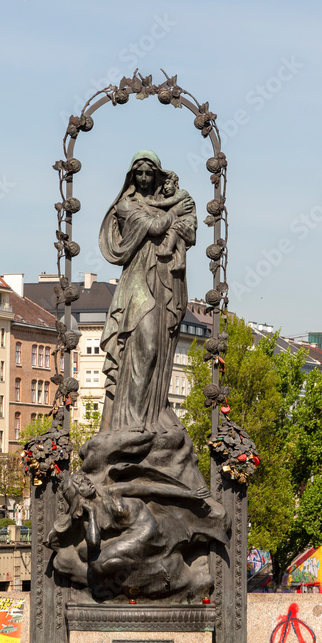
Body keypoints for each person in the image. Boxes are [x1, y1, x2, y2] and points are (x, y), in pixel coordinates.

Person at [98, 151, 197, 434]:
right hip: (140, 281)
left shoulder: (165, 201)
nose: (143, 179)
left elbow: (190, 232)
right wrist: (176, 213)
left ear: (157, 175)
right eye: (139, 173)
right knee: (147, 346)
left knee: (162, 349)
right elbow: (153, 226)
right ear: (132, 175)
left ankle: (154, 414)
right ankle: (129, 421)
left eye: (149, 174)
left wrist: (180, 216)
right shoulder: (126, 205)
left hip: (167, 279)